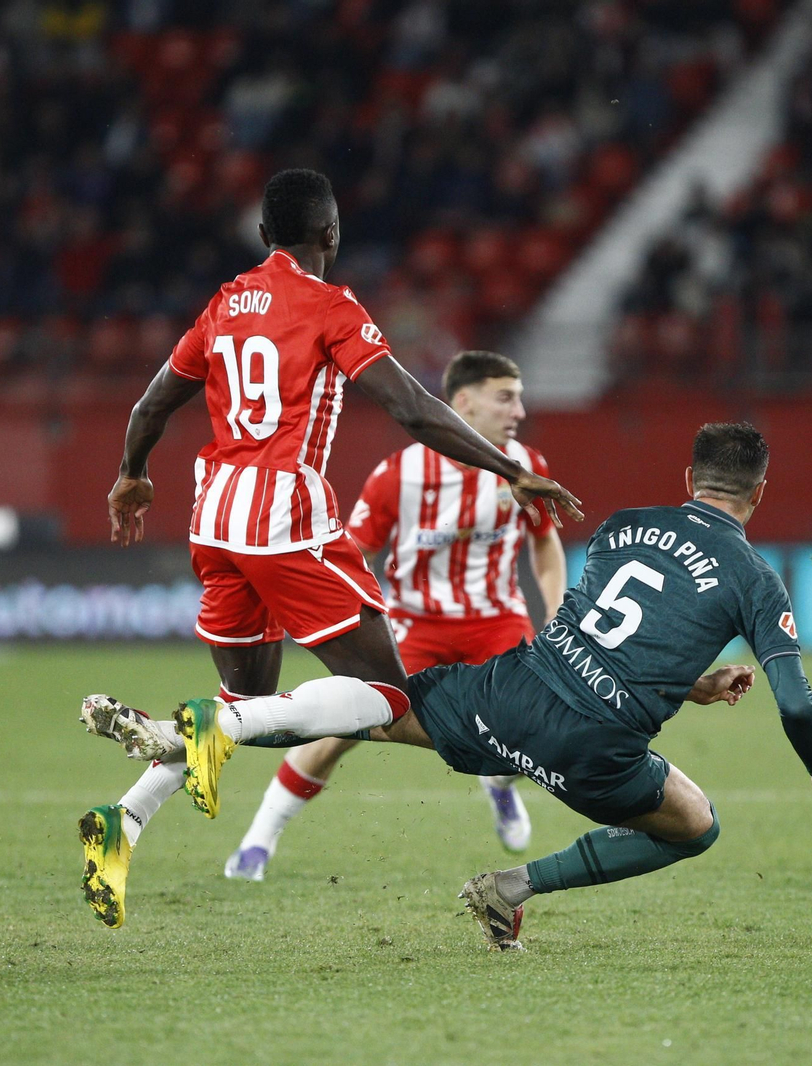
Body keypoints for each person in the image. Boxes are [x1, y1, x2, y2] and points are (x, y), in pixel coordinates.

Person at [87, 422, 812, 949]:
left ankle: (207, 733)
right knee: (695, 826)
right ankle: (510, 887)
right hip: (594, 744)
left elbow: (594, 628)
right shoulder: (756, 580)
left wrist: (686, 685)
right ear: (758, 493)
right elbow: (796, 701)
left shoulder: (625, 524)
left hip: (511, 691)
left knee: (377, 711)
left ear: (688, 477)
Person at [76, 168, 581, 929]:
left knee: (246, 706)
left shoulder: (223, 302)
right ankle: (206, 730)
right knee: (389, 699)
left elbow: (152, 404)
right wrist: (511, 468)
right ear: (331, 235)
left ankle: (124, 824)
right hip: (285, 517)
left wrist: (131, 476)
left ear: (261, 236)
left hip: (213, 519)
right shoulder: (330, 305)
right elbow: (410, 407)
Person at [223, 349, 567, 882]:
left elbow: (544, 543)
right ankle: (258, 841)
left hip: (496, 621)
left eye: (519, 398)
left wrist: (555, 608)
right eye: (506, 398)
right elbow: (354, 550)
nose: (518, 411)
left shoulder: (527, 468)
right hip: (413, 624)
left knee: (527, 729)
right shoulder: (399, 476)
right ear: (464, 404)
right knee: (338, 729)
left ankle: (499, 788)